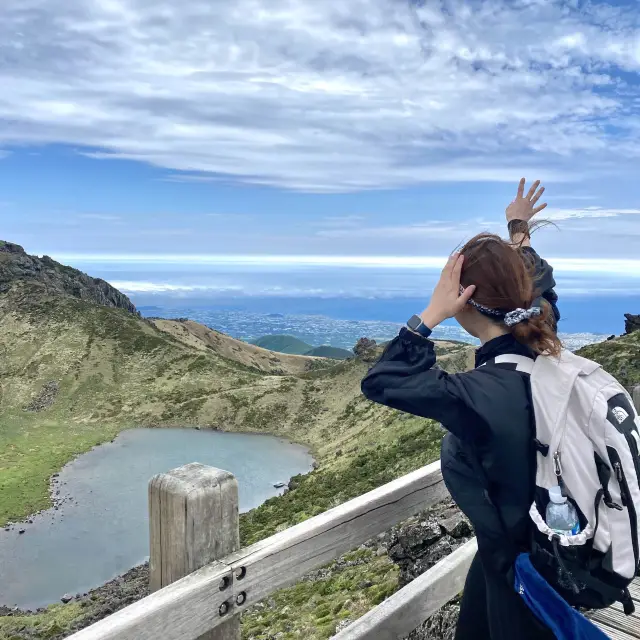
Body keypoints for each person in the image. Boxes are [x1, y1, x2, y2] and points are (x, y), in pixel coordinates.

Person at [361, 178, 562, 640]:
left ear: (465, 298)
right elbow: (542, 284)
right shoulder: (547, 345)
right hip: (551, 554)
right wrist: (518, 232)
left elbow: (383, 380)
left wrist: (431, 313)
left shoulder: (480, 395)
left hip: (521, 578)